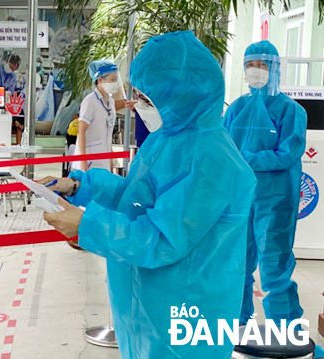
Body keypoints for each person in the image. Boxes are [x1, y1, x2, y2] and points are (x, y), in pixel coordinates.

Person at [42, 31, 257, 359]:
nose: (139, 103)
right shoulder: (167, 137)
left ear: (181, 93)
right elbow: (136, 196)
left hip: (187, 311)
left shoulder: (210, 158)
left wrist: (88, 225)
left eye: (147, 97)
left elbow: (163, 238)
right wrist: (79, 187)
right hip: (147, 305)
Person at [223, 42, 313, 331]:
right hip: (239, 197)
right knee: (237, 262)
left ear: (274, 68)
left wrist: (247, 158)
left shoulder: (291, 111)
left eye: (262, 65)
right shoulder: (236, 108)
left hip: (274, 199)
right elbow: (223, 150)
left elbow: (288, 153)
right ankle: (237, 324)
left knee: (274, 266)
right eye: (251, 65)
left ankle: (285, 330)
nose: (255, 71)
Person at [72, 60, 130, 171]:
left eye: (116, 79)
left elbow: (107, 133)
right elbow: (81, 130)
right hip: (88, 163)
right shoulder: (90, 101)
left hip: (103, 161)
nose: (116, 83)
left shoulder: (110, 101)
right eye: (112, 80)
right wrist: (83, 160)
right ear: (100, 80)